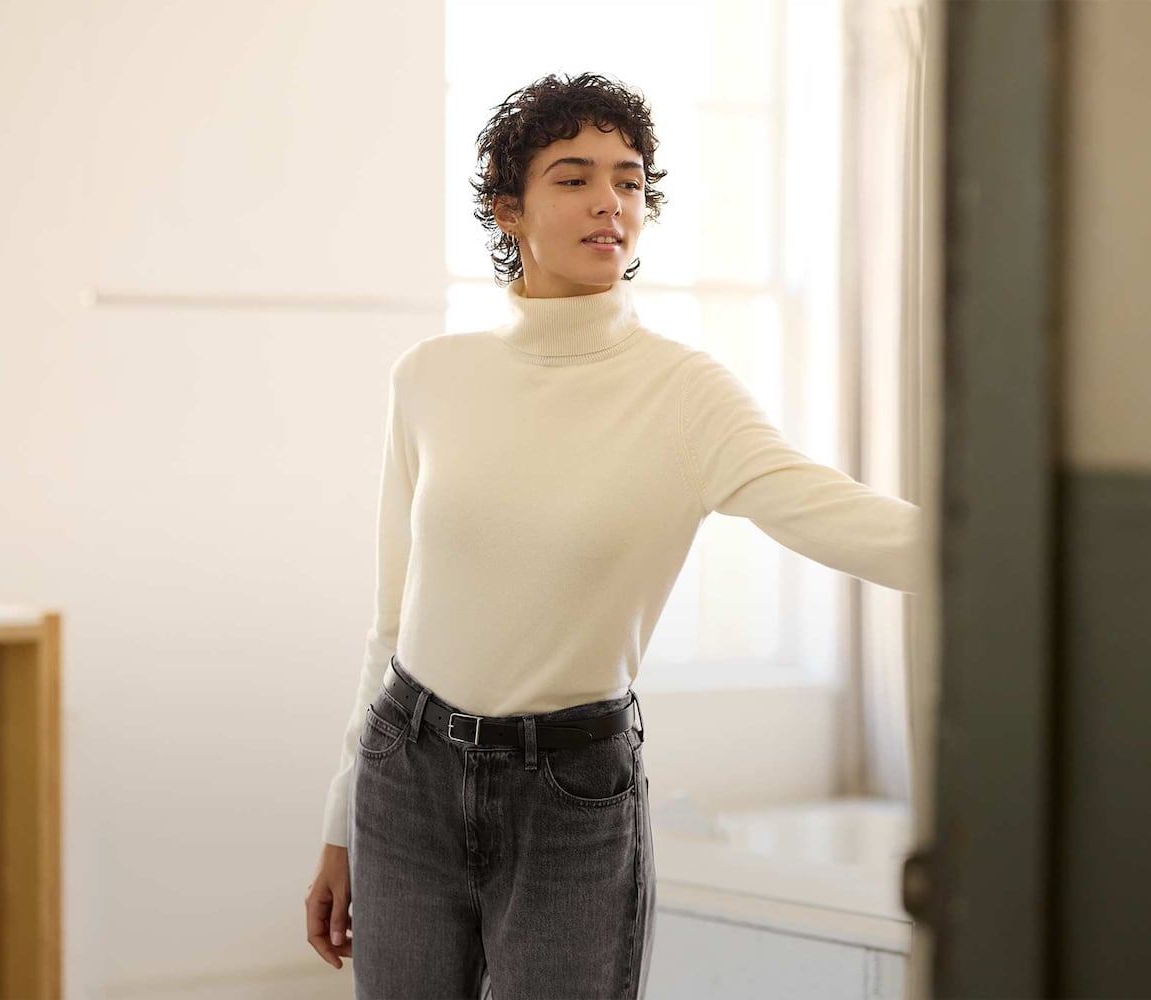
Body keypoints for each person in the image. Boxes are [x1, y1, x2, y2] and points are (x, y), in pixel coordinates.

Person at [303, 71, 930, 999]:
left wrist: (1031, 547)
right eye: (574, 178)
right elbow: (392, 622)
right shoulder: (430, 378)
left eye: (629, 180)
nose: (611, 202)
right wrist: (340, 821)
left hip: (573, 792)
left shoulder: (685, 393)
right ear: (508, 208)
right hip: (407, 773)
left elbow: (840, 516)